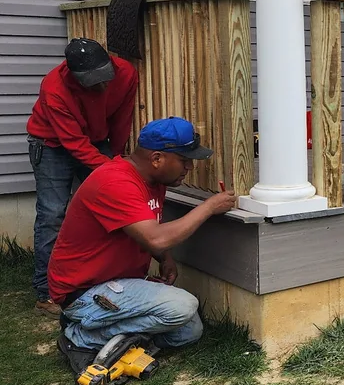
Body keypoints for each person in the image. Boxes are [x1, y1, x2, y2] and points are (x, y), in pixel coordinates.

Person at [48, 117, 238, 353]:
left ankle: (121, 339)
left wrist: (164, 258)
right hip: (85, 291)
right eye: (184, 160)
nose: (190, 167)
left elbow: (147, 228)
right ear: (157, 159)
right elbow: (155, 237)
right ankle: (80, 336)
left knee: (189, 331)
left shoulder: (154, 180)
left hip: (119, 283)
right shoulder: (116, 182)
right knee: (183, 305)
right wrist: (209, 207)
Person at [26, 38, 139, 315]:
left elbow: (122, 120)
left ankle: (94, 277)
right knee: (53, 214)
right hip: (52, 143)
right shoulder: (54, 87)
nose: (102, 86)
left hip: (97, 139)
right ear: (74, 76)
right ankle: (46, 293)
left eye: (105, 78)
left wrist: (115, 158)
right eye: (93, 82)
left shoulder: (125, 73)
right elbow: (73, 142)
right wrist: (110, 168)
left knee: (107, 205)